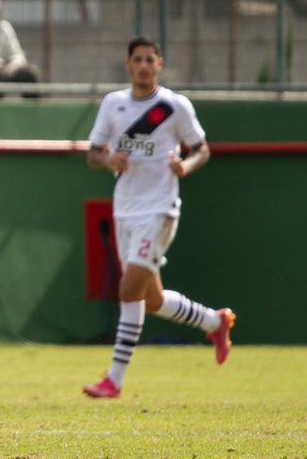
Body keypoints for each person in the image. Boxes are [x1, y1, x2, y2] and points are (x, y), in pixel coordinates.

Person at [82, 36, 234, 399]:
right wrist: (108, 160)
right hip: (125, 209)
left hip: (160, 210)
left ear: (159, 65)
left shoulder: (173, 106)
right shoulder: (113, 104)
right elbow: (92, 153)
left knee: (128, 289)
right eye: (138, 59)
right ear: (128, 65)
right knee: (153, 300)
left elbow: (202, 149)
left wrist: (187, 165)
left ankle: (114, 380)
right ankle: (215, 321)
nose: (144, 65)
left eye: (150, 59)